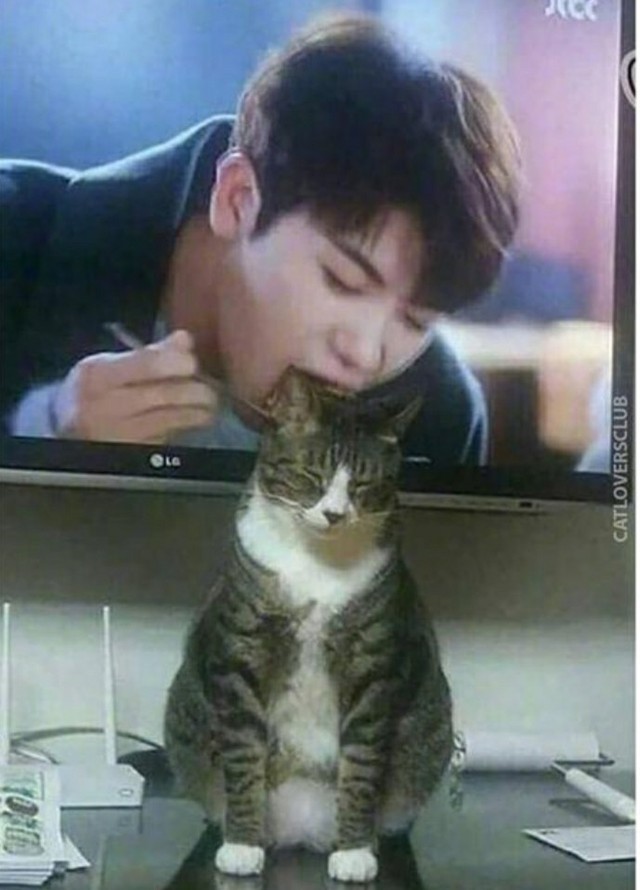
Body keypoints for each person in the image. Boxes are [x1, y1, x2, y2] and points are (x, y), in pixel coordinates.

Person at [0, 13, 521, 463]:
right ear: (238, 198)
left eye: (415, 320)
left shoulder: (440, 417)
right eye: (342, 281)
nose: (364, 354)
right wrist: (43, 438)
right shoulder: (14, 233)